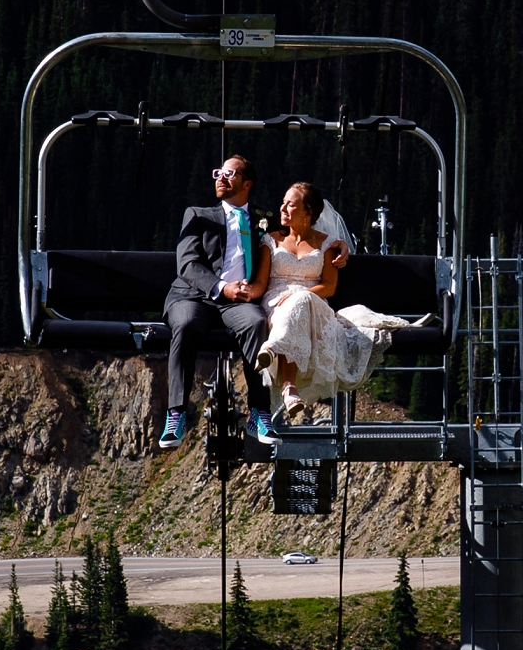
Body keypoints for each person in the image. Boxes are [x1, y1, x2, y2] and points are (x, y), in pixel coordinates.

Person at [160, 154, 275, 447]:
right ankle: (176, 412)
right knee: (185, 324)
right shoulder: (198, 215)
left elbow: (301, 237)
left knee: (256, 323)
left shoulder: (265, 219)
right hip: (194, 295)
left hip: (238, 302)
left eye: (229, 174)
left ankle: (260, 412)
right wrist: (222, 288)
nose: (220, 178)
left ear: (247, 184)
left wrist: (337, 247)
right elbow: (187, 265)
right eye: (218, 173)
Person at [258, 178, 378, 423]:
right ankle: (289, 388)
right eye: (283, 203)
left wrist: (300, 295)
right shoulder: (271, 241)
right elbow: (261, 283)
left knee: (300, 302)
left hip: (313, 302)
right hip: (275, 302)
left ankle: (273, 349)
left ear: (307, 212)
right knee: (291, 311)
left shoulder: (326, 245)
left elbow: (330, 287)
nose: (282, 209)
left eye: (290, 205)